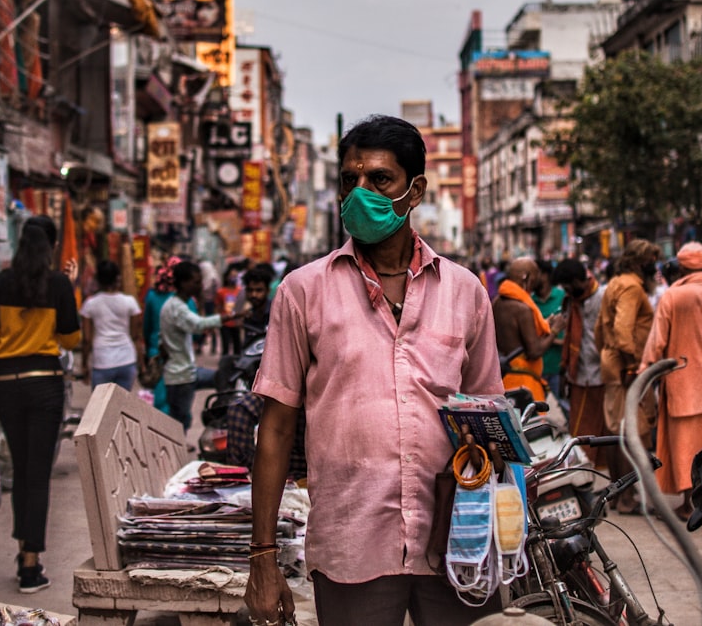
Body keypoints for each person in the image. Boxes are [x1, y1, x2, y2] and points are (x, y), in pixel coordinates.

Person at [246, 115, 504, 625]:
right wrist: (262, 559)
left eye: (379, 179)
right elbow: (274, 429)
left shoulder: (465, 290)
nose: (360, 193)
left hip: (456, 541)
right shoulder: (303, 291)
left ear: (415, 190)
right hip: (352, 541)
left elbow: (487, 413)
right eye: (350, 180)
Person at [0, 215, 81, 593]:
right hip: (45, 388)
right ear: (52, 248)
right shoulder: (56, 285)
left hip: (6, 387)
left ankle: (25, 551)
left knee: (21, 470)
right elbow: (70, 340)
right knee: (38, 475)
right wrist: (69, 288)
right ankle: (30, 565)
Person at [639, 242, 702, 521]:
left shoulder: (672, 296)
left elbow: (657, 342)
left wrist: (644, 373)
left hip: (680, 382)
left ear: (681, 267)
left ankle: (690, 503)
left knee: (684, 446)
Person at [594, 238, 660, 514]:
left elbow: (599, 330)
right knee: (630, 433)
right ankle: (625, 497)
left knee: (617, 431)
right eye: (651, 263)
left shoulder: (615, 285)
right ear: (639, 264)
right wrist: (633, 364)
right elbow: (623, 331)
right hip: (626, 368)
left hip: (614, 364)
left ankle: (620, 493)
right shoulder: (632, 287)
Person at [160, 261, 246, 432]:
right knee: (180, 422)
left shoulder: (179, 304)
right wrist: (231, 316)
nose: (200, 285)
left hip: (185, 370)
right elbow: (199, 325)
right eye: (196, 282)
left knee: (224, 376)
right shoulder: (176, 308)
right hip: (181, 376)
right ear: (183, 283)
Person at [552, 258, 607, 467]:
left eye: (567, 286)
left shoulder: (602, 297)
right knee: (580, 430)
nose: (566, 290)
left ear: (577, 280)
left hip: (602, 373)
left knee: (603, 431)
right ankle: (583, 472)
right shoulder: (571, 302)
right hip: (578, 374)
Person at [492, 257, 563, 402]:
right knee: (530, 424)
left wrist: (545, 324)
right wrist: (556, 329)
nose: (537, 281)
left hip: (503, 376)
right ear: (526, 277)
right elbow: (534, 351)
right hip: (522, 381)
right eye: (535, 277)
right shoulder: (522, 309)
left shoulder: (497, 302)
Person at [80, 260, 143, 392]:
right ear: (117, 278)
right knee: (121, 408)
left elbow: (86, 339)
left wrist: (84, 364)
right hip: (127, 359)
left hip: (102, 361)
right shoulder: (130, 302)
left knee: (100, 408)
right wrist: (141, 363)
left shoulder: (90, 304)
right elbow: (136, 336)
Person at [142, 256, 181, 413]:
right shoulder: (183, 298)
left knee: (160, 400)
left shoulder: (151, 296)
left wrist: (147, 349)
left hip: (156, 352)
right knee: (177, 402)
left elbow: (147, 326)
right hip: (179, 355)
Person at [533, 260, 567, 407]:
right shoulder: (529, 301)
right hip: (538, 369)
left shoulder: (562, 297)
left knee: (566, 408)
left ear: (545, 276)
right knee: (537, 413)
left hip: (558, 367)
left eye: (536, 273)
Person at [216, 265, 242, 356]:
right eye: (231, 276)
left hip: (237, 323)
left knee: (237, 347)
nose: (233, 278)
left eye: (235, 276)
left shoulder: (240, 290)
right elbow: (218, 307)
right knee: (226, 347)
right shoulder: (221, 291)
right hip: (225, 323)